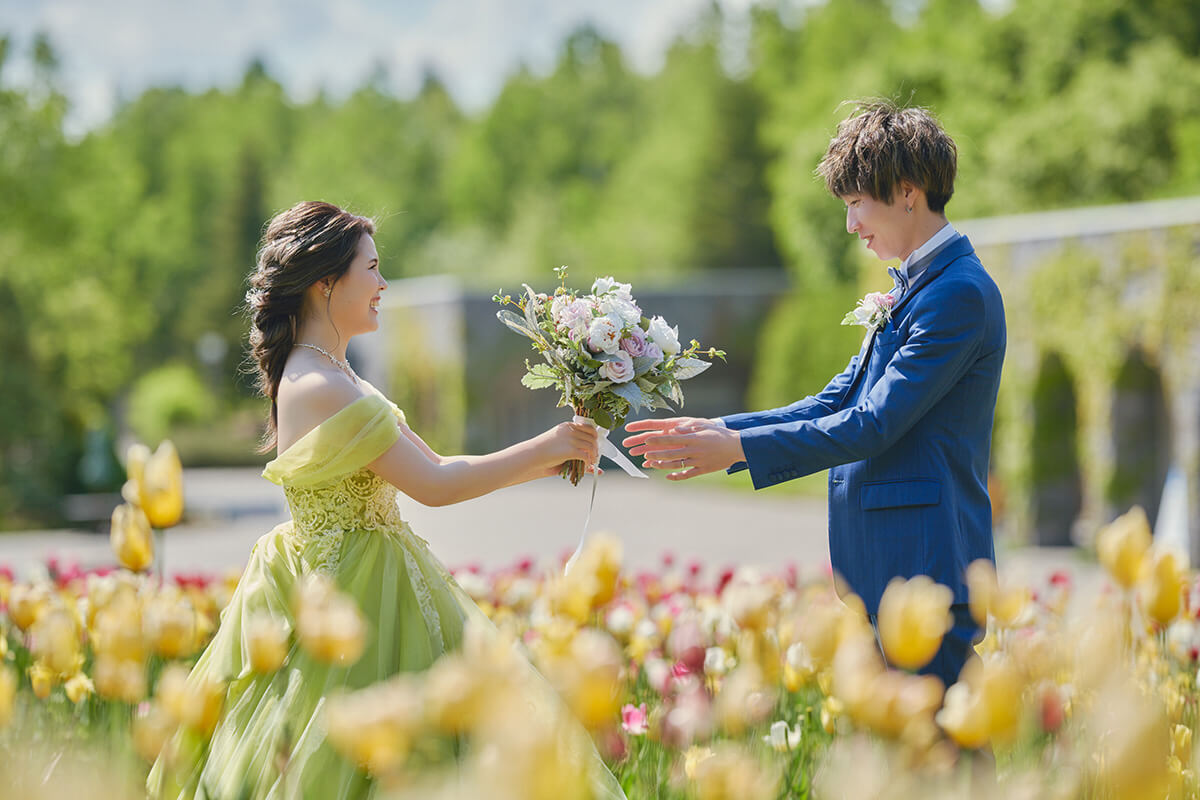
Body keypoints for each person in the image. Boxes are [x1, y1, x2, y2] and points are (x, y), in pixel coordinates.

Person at [148, 201, 624, 799]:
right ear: (326, 284)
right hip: (356, 593)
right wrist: (548, 445)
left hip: (365, 571)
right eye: (370, 269)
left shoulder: (335, 374)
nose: (383, 284)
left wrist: (552, 454)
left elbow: (444, 468)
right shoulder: (322, 386)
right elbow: (435, 486)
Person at [623, 100, 1006, 688]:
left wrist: (740, 452)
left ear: (908, 192)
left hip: (926, 569)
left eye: (857, 204)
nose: (851, 225)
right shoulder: (917, 285)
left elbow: (874, 423)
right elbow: (836, 401)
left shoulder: (957, 294)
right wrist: (725, 432)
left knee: (944, 765)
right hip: (891, 567)